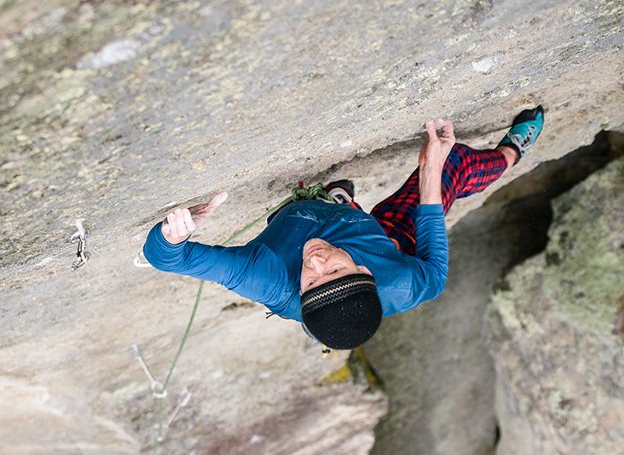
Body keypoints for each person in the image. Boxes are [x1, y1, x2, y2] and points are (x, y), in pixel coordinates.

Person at [142, 107, 544, 350]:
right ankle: (512, 153)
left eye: (311, 282)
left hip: (312, 221)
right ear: (366, 272)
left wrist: (173, 235)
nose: (315, 264)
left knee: (326, 214)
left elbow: (166, 259)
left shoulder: (266, 279)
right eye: (333, 271)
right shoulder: (403, 282)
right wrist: (432, 166)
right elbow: (436, 266)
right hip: (384, 235)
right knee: (454, 166)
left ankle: (337, 202)